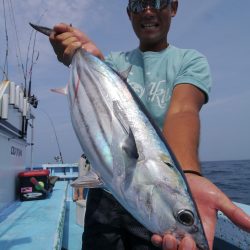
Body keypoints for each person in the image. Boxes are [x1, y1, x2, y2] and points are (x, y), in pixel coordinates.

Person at [49, 0, 250, 249]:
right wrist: (81, 54)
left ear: (173, 7)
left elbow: (183, 111)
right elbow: (99, 85)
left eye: (157, 2)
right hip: (106, 191)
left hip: (147, 197)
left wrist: (186, 174)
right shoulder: (114, 62)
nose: (147, 10)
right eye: (138, 4)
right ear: (129, 13)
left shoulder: (189, 61)